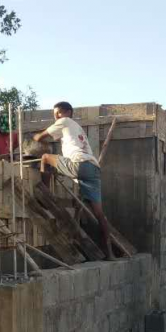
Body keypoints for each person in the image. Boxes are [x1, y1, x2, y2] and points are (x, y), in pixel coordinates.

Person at [33, 101, 115, 260]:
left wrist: (35, 138)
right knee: (99, 215)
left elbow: (41, 136)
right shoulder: (77, 128)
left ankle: (44, 196)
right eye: (55, 114)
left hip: (79, 165)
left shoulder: (64, 121)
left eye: (58, 112)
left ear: (67, 112)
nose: (56, 116)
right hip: (93, 169)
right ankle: (110, 254)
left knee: (45, 158)